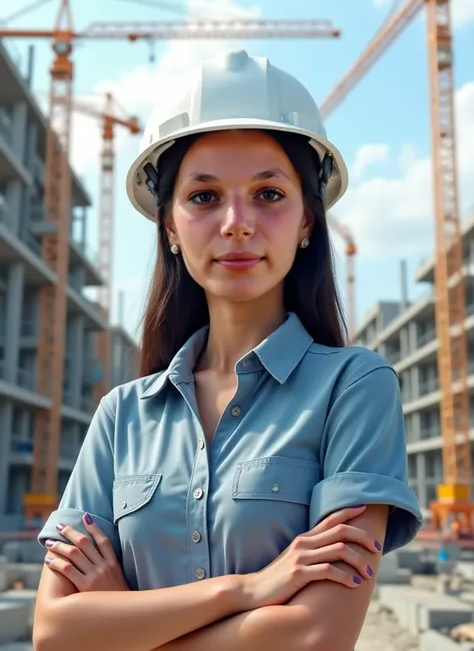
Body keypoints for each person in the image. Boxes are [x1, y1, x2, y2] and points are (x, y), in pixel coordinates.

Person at [32, 48, 423, 651]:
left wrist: (122, 620)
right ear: (168, 225)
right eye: (204, 196)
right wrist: (250, 589)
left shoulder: (355, 388)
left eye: (268, 195)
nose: (237, 223)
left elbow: (314, 637)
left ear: (308, 222)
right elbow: (53, 633)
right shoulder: (120, 416)